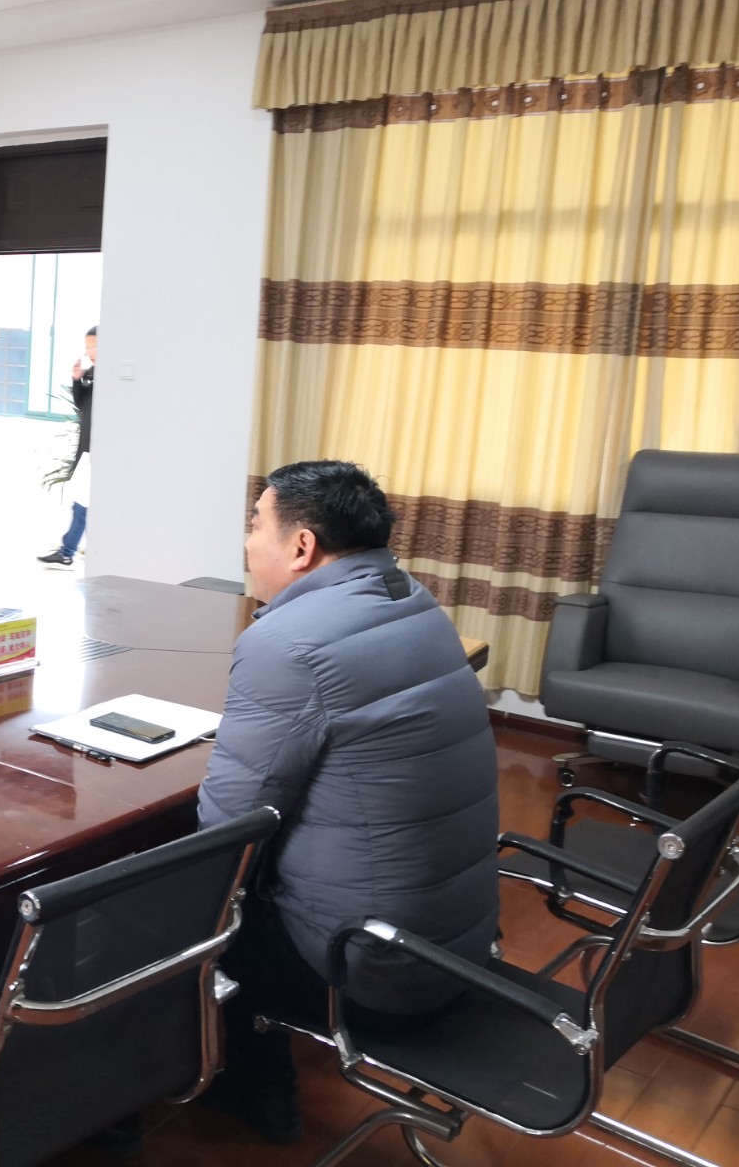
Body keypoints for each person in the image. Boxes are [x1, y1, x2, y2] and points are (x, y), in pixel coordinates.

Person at [195, 460, 498, 1144]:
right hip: (458, 945)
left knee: (184, 905)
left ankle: (251, 1091)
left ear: (301, 546)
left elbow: (228, 827)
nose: (248, 542)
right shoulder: (414, 601)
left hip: (372, 970)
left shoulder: (288, 641)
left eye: (256, 525)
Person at [37, 326, 97, 566]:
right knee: (81, 504)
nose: (90, 351)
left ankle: (71, 552)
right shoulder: (93, 372)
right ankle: (68, 551)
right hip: (87, 449)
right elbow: (83, 405)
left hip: (96, 452)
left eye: (94, 346)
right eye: (87, 347)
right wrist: (77, 379)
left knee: (85, 505)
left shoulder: (111, 374)